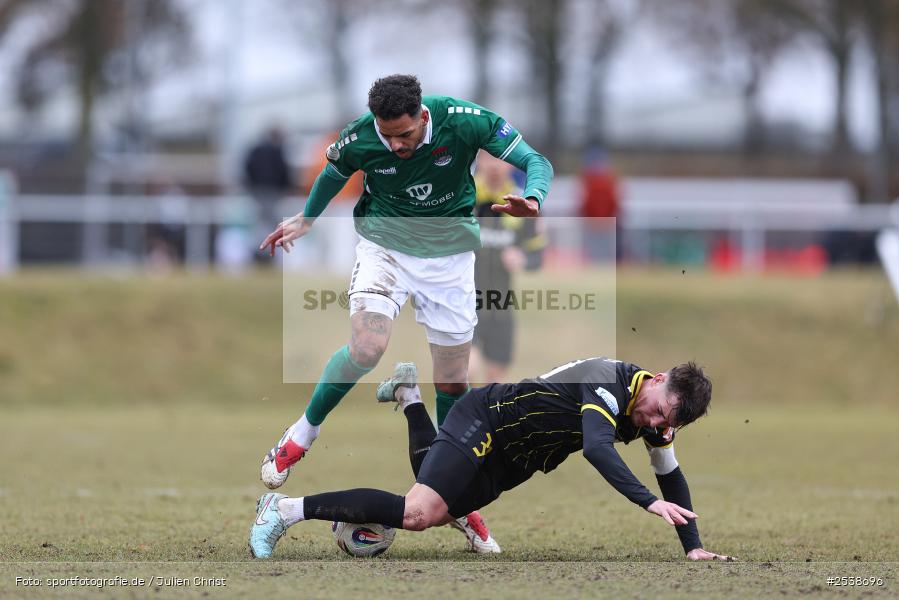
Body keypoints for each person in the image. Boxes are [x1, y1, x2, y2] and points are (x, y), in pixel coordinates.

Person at [256, 75, 554, 552]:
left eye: (405, 134)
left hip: (451, 257)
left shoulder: (466, 121)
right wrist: (307, 218)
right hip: (385, 246)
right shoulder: (361, 136)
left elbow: (535, 160)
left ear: (423, 116)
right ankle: (299, 436)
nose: (394, 144)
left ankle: (450, 487)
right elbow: (335, 173)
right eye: (386, 134)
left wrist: (534, 197)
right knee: (368, 346)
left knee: (454, 381)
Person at [249, 357, 734, 562]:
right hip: (489, 417)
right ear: (659, 378)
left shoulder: (656, 418)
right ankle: (285, 510)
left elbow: (671, 474)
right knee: (420, 512)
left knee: (436, 501)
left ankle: (409, 396)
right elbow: (596, 447)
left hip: (514, 461)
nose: (653, 423)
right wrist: (647, 503)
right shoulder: (609, 380)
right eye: (657, 409)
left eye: (664, 422)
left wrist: (691, 545)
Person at [470, 153, 546, 383]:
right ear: (478, 161)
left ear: (509, 163)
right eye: (488, 159)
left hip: (501, 304)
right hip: (464, 300)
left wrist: (522, 258)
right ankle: (450, 416)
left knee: (494, 383)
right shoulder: (464, 196)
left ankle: (474, 418)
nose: (494, 166)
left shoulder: (523, 202)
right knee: (465, 371)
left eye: (499, 159)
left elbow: (538, 256)